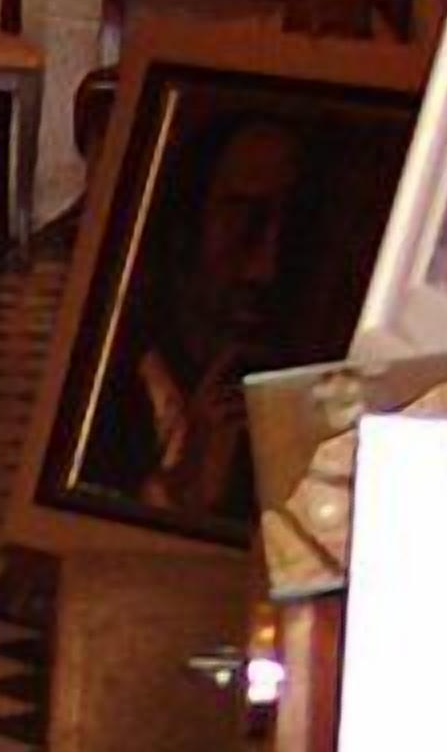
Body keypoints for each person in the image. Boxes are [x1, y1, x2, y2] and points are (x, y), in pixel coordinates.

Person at [83, 105, 307, 523]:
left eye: (295, 228)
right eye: (243, 220)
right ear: (184, 227)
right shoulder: (103, 381)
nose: (266, 268)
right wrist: (178, 488)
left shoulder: (299, 400)